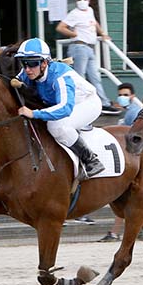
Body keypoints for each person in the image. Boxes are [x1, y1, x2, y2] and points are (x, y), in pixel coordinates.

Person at [14, 37, 105, 179]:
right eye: (24, 63)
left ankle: (91, 160)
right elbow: (15, 81)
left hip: (87, 103)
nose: (27, 69)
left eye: (32, 64)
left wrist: (34, 113)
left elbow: (65, 108)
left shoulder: (60, 76)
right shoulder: (28, 72)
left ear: (44, 63)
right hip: (63, 104)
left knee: (56, 126)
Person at [56, 0, 119, 114]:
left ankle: (104, 103)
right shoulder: (74, 13)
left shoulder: (89, 11)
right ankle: (80, 105)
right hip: (79, 47)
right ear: (76, 1)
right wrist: (73, 34)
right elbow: (60, 27)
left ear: (89, 0)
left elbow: (95, 23)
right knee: (80, 77)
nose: (82, 1)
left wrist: (103, 34)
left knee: (95, 77)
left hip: (90, 48)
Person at [98, 82, 143, 242]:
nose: (122, 97)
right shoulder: (126, 113)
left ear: (132, 96)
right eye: (120, 95)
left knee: (123, 197)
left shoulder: (133, 113)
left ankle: (115, 233)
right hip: (128, 158)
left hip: (132, 159)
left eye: (125, 95)